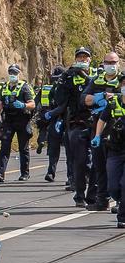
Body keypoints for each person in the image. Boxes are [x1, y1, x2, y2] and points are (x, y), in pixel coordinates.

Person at [47, 47, 97, 207]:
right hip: (77, 123)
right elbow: (60, 99)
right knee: (80, 161)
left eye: (85, 57)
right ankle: (79, 195)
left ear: (90, 60)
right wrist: (66, 78)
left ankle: (95, 195)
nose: (82, 60)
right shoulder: (68, 77)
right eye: (79, 57)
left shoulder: (97, 76)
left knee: (98, 162)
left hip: (97, 123)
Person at [82, 51, 122, 211]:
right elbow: (84, 99)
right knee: (99, 165)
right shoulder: (96, 81)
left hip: (119, 129)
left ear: (118, 63)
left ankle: (121, 201)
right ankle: (102, 199)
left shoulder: (122, 80)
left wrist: (114, 96)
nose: (111, 65)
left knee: (118, 167)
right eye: (108, 62)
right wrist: (99, 97)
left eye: (114, 62)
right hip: (99, 127)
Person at [0, 64, 36, 182]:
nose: (12, 75)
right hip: (8, 120)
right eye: (11, 73)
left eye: (15, 73)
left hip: (22, 120)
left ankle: (25, 173)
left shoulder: (24, 87)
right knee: (5, 146)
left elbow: (32, 104)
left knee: (23, 148)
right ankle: (0, 173)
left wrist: (23, 105)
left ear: (19, 74)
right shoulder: (4, 87)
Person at [92, 73, 125, 228]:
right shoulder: (114, 102)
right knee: (113, 187)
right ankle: (119, 200)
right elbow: (102, 119)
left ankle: (122, 216)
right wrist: (98, 135)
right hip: (115, 149)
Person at [37, 66, 66, 181]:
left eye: (58, 78)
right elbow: (43, 102)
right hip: (54, 119)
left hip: (68, 119)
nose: (57, 80)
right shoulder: (51, 89)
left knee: (71, 150)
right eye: (55, 78)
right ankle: (51, 172)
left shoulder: (69, 87)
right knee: (53, 148)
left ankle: (71, 176)